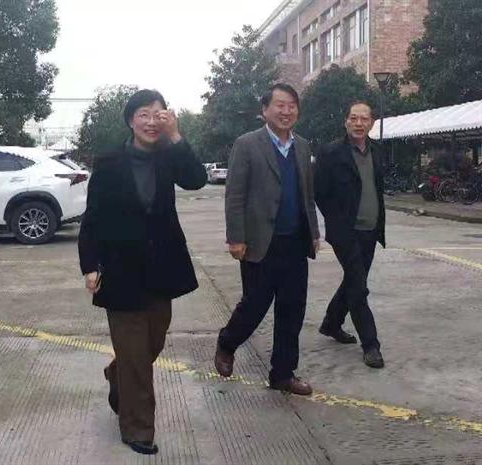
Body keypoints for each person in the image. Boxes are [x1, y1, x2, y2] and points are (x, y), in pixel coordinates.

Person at [78, 89, 207, 455]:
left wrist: (176, 136)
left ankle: (117, 374)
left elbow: (196, 179)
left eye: (158, 114)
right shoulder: (109, 163)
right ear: (130, 120)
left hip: (162, 270)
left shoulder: (168, 155)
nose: (151, 122)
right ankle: (138, 429)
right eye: (144, 115)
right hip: (120, 271)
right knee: (136, 356)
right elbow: (93, 219)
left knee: (151, 344)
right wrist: (90, 265)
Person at [214, 83, 320, 396]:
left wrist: (314, 232)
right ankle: (227, 342)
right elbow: (235, 194)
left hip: (295, 241)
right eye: (280, 105)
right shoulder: (247, 144)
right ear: (265, 110)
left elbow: (307, 194)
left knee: (292, 309)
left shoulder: (302, 146)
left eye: (292, 106)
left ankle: (283, 374)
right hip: (260, 242)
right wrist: (236, 237)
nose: (286, 111)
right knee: (255, 305)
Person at [315, 101, 386, 369]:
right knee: (359, 287)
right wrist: (336, 221)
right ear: (346, 121)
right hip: (345, 233)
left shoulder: (377, 151)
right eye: (353, 118)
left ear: (371, 123)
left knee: (353, 281)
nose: (358, 123)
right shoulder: (331, 153)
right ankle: (371, 345)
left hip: (370, 230)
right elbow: (319, 192)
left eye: (364, 119)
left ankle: (331, 322)